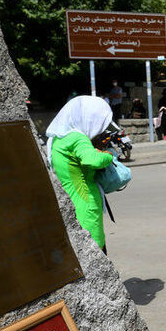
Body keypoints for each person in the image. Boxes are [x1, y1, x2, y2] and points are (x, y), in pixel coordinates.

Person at [46, 96, 115, 254]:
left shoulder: (58, 138)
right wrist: (109, 155)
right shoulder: (77, 138)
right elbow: (94, 160)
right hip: (86, 201)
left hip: (70, 199)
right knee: (95, 251)